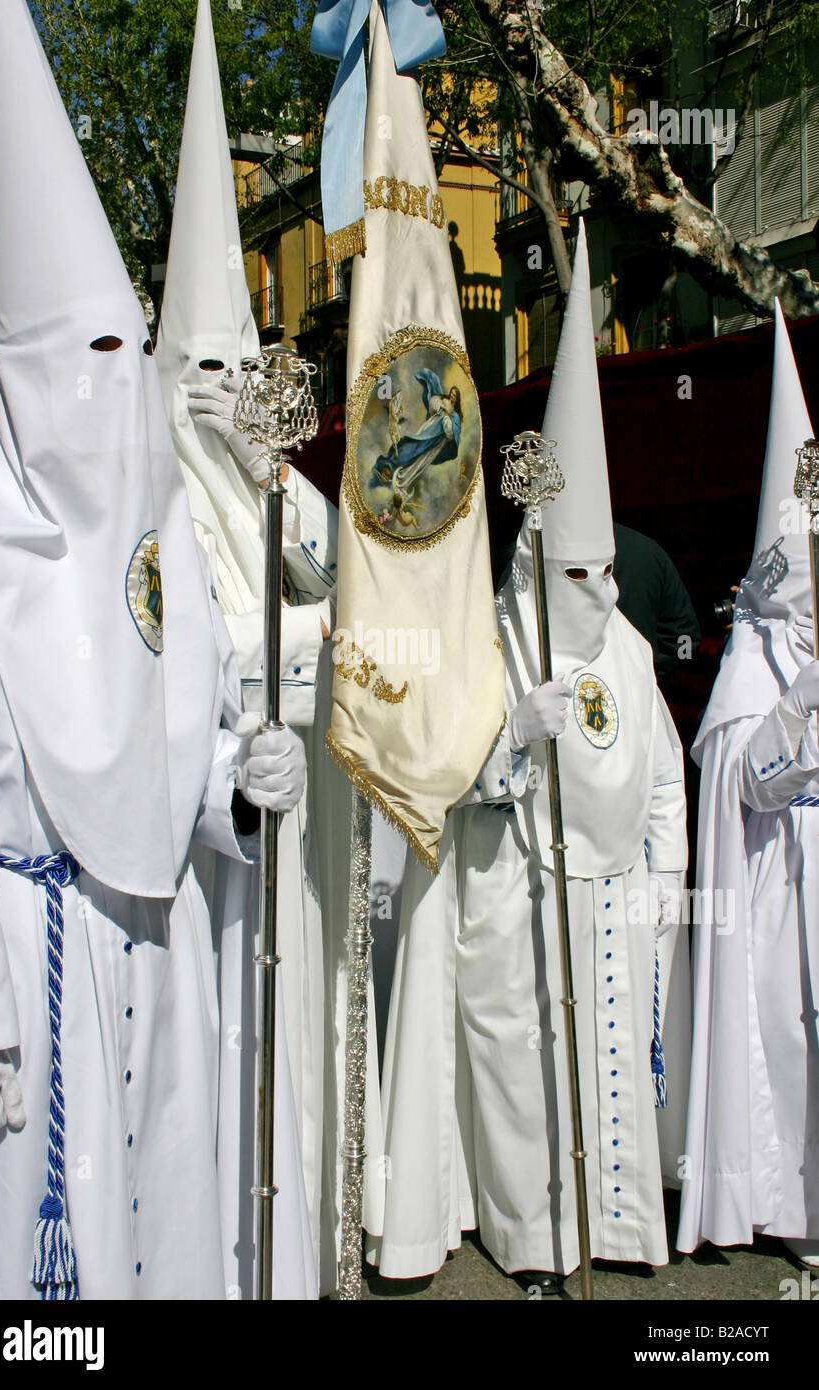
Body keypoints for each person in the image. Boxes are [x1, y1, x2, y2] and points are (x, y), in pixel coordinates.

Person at [0, 0, 305, 1301]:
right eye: (85, 356)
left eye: (127, 350)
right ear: (27, 372)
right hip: (29, 960)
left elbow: (177, 742)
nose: (114, 387)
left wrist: (236, 784)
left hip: (158, 954)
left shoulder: (160, 531)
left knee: (166, 1233)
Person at [368, 222, 690, 1289]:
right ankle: (535, 1238)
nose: (593, 597)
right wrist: (511, 734)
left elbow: (659, 776)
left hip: (603, 897)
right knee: (518, 1064)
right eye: (573, 576)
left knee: (602, 1068)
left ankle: (618, 1226)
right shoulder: (489, 642)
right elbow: (439, 778)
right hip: (509, 892)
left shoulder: (633, 655)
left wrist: (658, 883)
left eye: (604, 574)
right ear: (532, 565)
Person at [153, 0, 382, 1296]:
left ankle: (306, 1239)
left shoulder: (276, 494)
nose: (218, 405)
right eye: (200, 378)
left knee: (297, 1029)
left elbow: (341, 591)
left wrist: (279, 482)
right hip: (195, 851)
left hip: (299, 838)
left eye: (231, 378)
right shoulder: (143, 518)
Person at [678, 302, 819, 1270]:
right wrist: (803, 701)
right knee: (789, 1039)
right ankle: (796, 1207)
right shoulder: (752, 664)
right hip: (781, 887)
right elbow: (748, 782)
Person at [613, 523, 702, 681]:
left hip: (574, 692)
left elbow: (687, 638)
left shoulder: (558, 551)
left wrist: (662, 669)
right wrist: (661, 672)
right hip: (643, 688)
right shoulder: (649, 550)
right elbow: (687, 635)